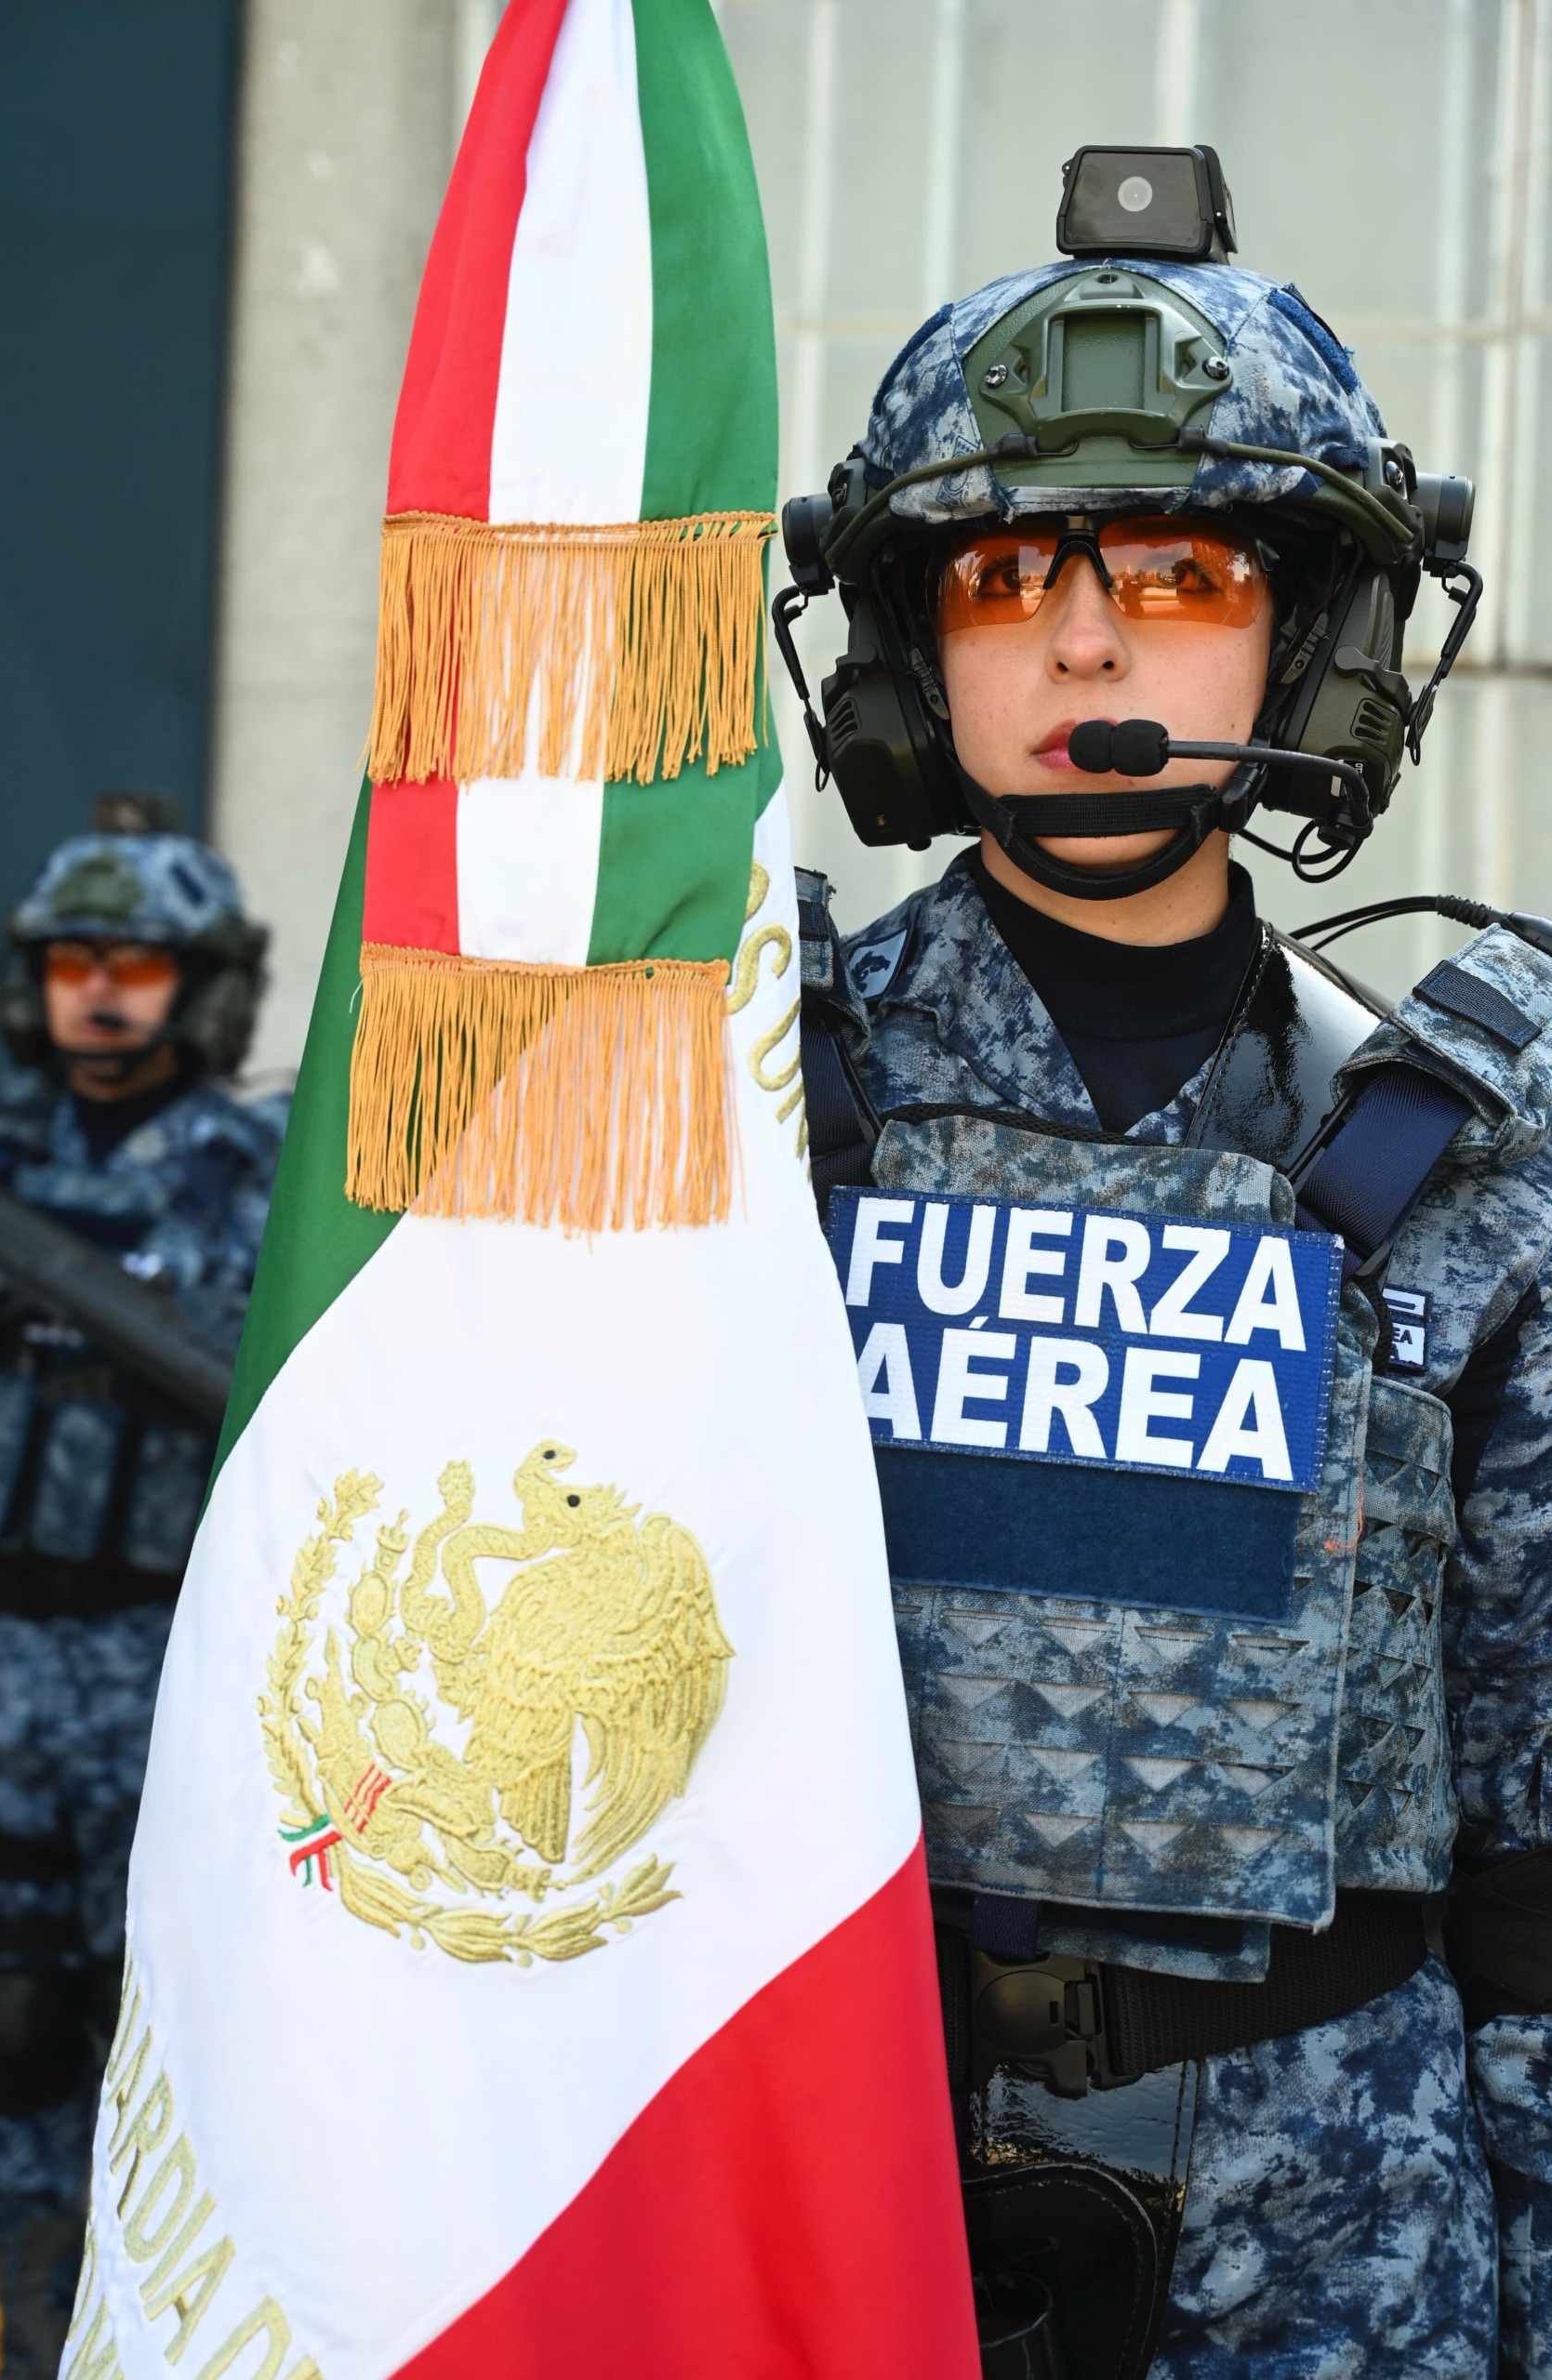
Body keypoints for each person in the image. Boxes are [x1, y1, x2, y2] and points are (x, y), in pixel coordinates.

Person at [779, 149, 1551, 2377]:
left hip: (1339, 2231)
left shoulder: (1479, 1156)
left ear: (1309, 631)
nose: (1085, 643)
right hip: (831, 2184)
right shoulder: (736, 1112)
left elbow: (1531, 1849)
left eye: (1181, 569)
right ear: (906, 646)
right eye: (1000, 572)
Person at [0, 798, 282, 2380]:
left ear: (203, 985)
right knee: (12, 2038)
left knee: (184, 2052)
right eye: (74, 960)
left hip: (170, 1678)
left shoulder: (270, 1183)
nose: (98, 991)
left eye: (138, 964)